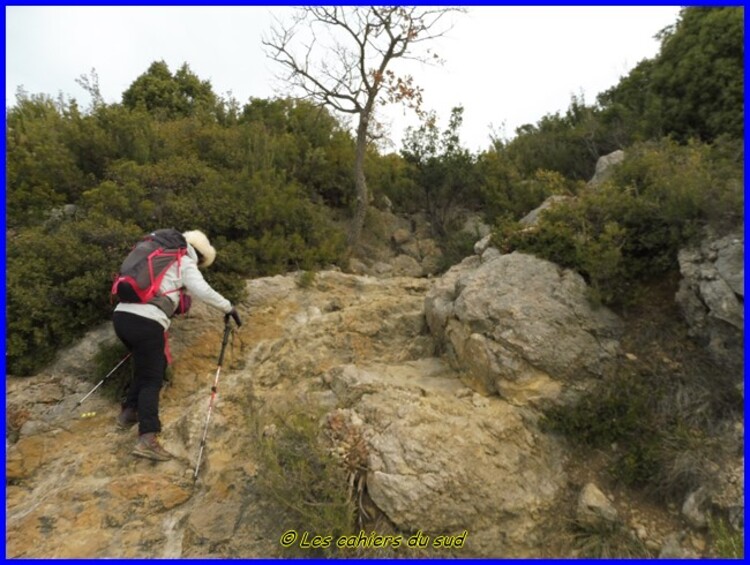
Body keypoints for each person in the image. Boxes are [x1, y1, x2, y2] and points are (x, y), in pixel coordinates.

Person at [112, 229, 240, 461]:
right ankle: (147, 438)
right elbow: (203, 291)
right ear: (200, 256)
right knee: (153, 378)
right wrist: (228, 307)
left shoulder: (158, 254)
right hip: (146, 321)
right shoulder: (184, 260)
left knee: (150, 366)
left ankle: (129, 413)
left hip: (121, 317)